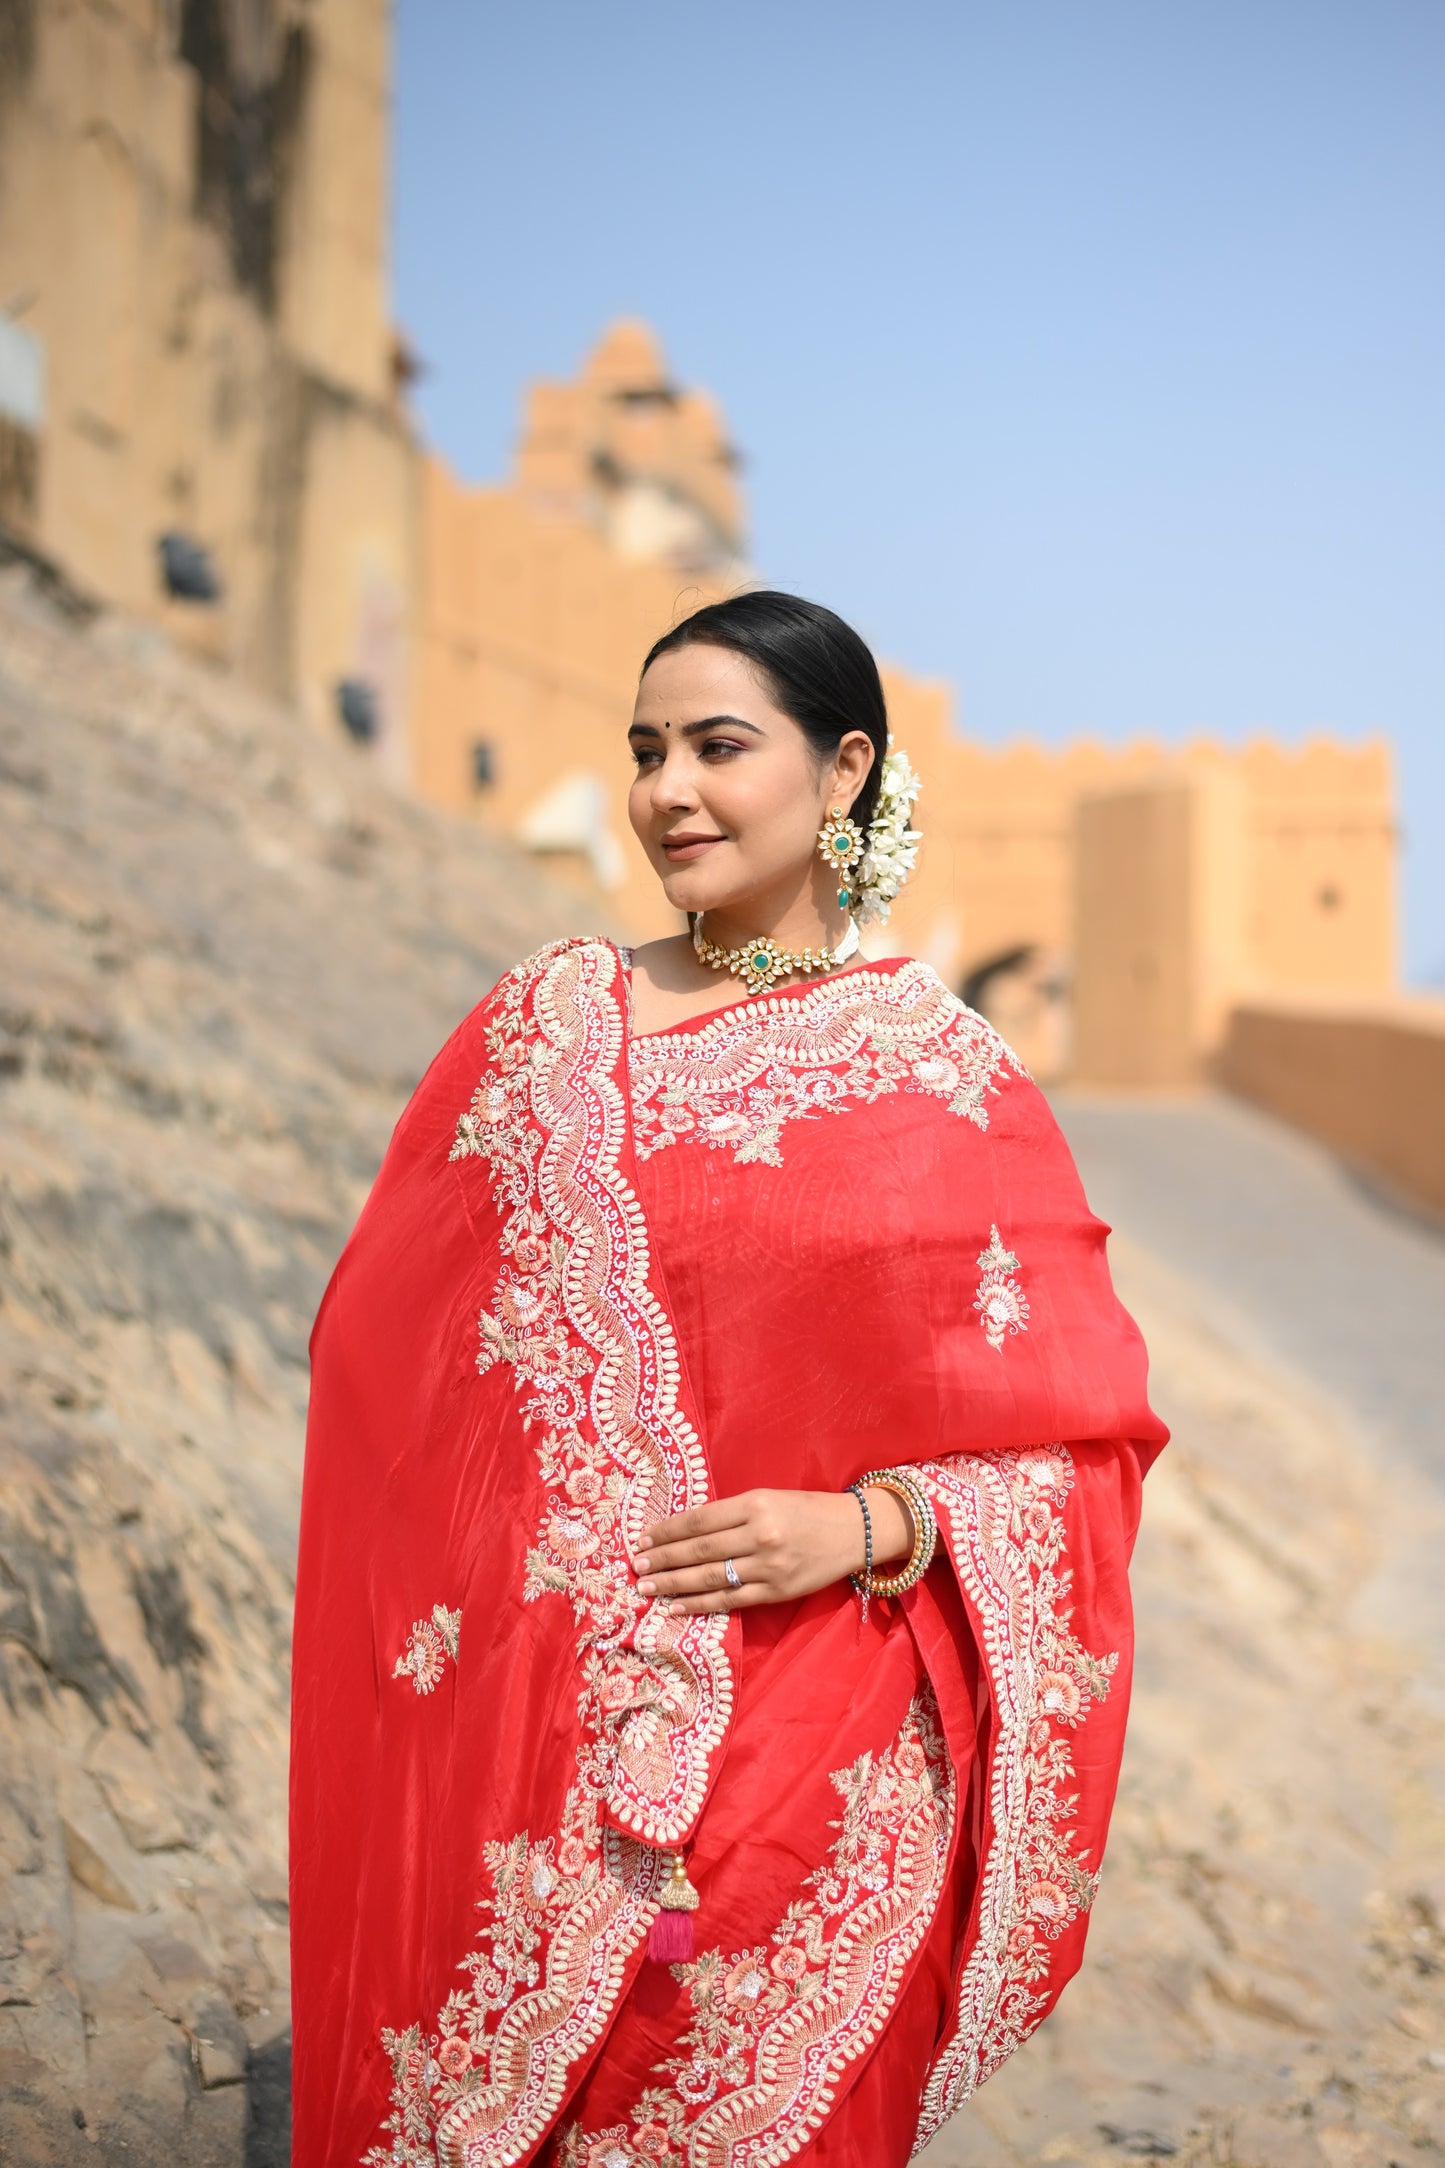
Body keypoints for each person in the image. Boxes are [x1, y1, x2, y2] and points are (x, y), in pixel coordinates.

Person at [290, 591, 1167, 2168]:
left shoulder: (937, 1075)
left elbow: (1079, 1441)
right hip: (547, 1741)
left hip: (831, 1739)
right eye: (643, 753)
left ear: (841, 774)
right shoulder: (544, 1031)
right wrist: (534, 1584)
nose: (667, 792)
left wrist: (872, 1527)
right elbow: (384, 1354)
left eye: (716, 746)